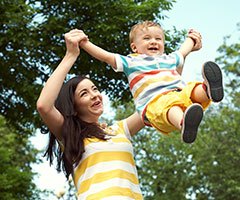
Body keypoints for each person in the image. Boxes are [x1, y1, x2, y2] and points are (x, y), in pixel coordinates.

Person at [36, 29, 144, 200]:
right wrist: (71, 55)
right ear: (73, 106)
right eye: (84, 93)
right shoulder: (70, 135)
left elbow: (155, 105)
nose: (95, 95)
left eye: (94, 89)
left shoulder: (120, 130)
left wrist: (181, 57)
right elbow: (44, 105)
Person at [78, 20, 224, 144]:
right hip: (153, 104)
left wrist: (191, 38)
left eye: (158, 39)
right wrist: (85, 44)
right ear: (134, 47)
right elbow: (106, 56)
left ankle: (208, 90)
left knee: (192, 89)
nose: (153, 41)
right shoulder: (131, 61)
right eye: (147, 38)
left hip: (178, 92)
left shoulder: (169, 58)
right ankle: (184, 123)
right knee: (169, 105)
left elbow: (183, 51)